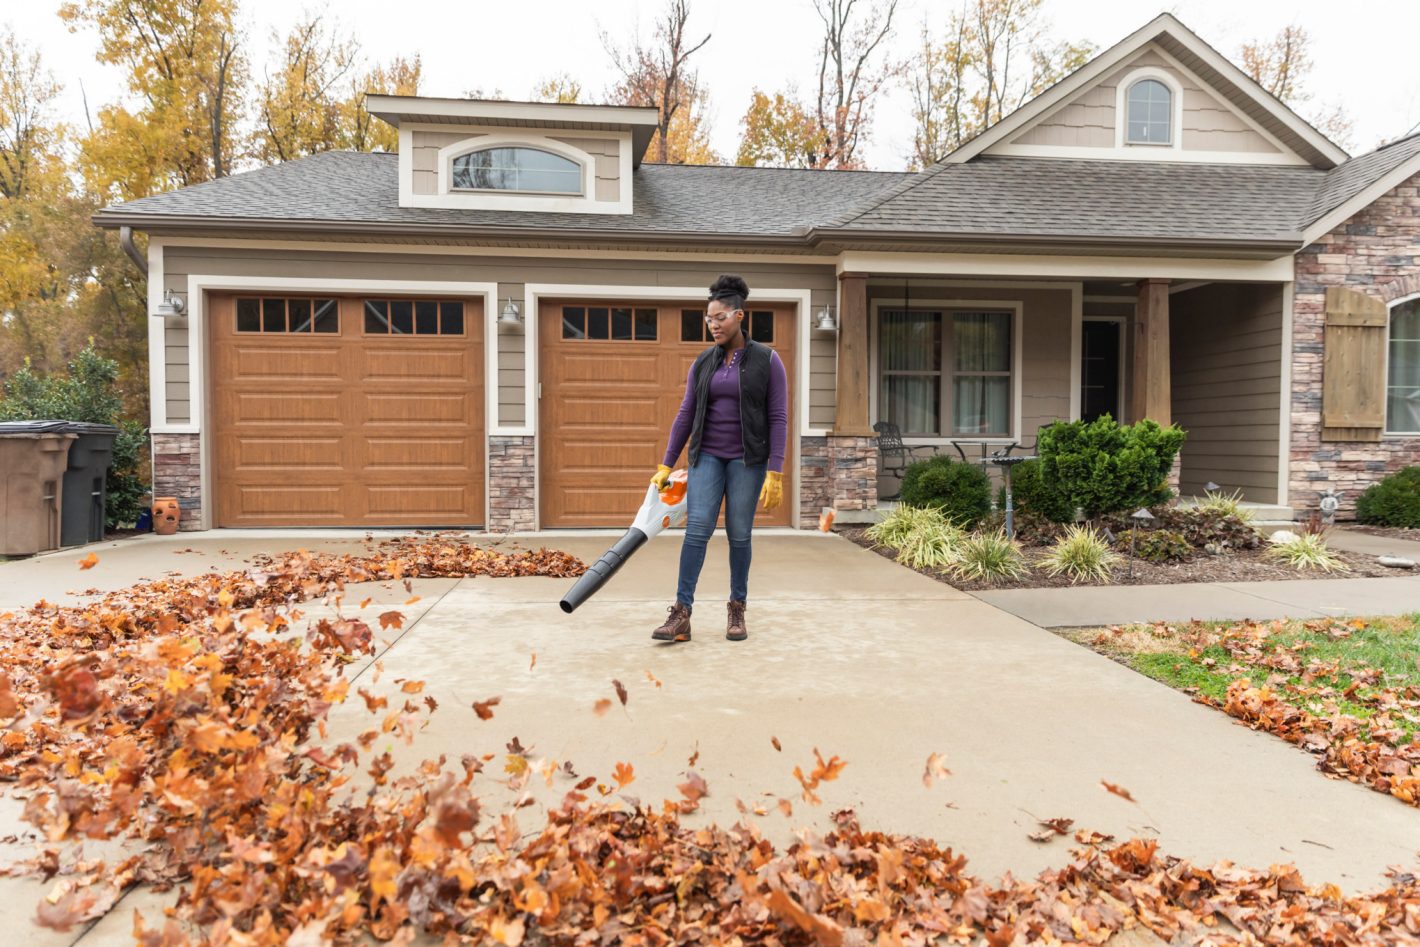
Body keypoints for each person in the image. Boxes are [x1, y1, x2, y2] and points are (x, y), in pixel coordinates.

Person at [650, 275, 788, 643]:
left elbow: (778, 417)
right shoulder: (703, 362)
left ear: (740, 316)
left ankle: (737, 609)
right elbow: (685, 413)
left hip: (748, 460)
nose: (713, 325)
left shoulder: (767, 360)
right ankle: (681, 613)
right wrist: (667, 462)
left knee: (739, 535)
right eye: (708, 318)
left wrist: (776, 469)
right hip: (706, 456)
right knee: (697, 532)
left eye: (720, 317)